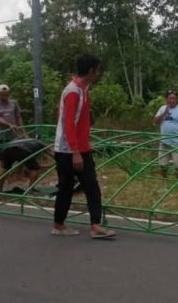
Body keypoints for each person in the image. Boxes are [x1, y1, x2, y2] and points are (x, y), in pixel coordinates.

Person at [52, 54, 115, 239]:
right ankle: (59, 225)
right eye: (97, 70)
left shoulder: (83, 90)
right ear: (90, 70)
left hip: (78, 148)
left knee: (88, 186)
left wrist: (85, 144)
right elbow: (69, 124)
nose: (99, 73)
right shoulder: (73, 92)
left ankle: (94, 225)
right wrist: (76, 152)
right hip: (69, 150)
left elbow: (81, 123)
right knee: (69, 187)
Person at [0, 84, 26, 191]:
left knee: (21, 156)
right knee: (4, 163)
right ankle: (1, 186)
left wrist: (23, 132)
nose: (5, 97)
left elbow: (18, 117)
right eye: (2, 95)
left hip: (14, 136)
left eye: (7, 95)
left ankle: (18, 177)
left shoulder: (14, 103)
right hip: (1, 136)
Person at [153, 90, 178, 179]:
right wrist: (164, 113)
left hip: (177, 142)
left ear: (177, 99)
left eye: (174, 98)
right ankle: (164, 183)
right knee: (162, 164)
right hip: (164, 141)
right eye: (170, 98)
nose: (172, 100)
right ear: (167, 99)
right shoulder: (162, 108)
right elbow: (155, 121)